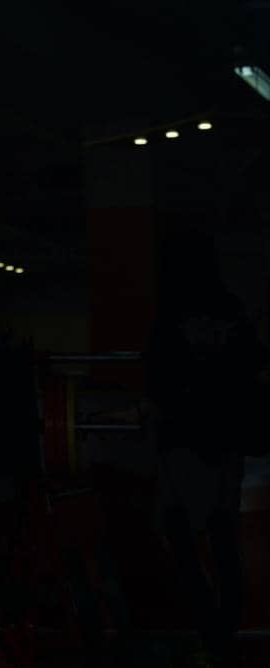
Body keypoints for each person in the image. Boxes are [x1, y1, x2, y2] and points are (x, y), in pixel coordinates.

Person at [146, 236, 270, 668]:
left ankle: (210, 631)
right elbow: (254, 363)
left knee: (180, 539)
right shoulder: (231, 309)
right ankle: (222, 633)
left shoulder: (172, 317)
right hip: (227, 445)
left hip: (184, 445)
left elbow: (159, 383)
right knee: (223, 542)